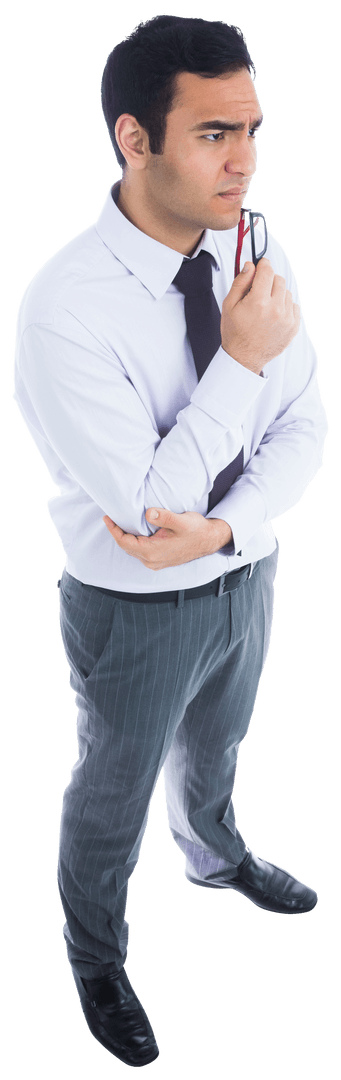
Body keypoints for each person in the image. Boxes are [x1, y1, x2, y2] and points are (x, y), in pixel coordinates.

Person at [12, 14, 328, 1069]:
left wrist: (235, 526)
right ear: (133, 140)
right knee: (112, 787)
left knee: (219, 749)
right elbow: (146, 515)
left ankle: (213, 853)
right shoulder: (65, 307)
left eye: (251, 129)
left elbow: (306, 426)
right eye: (210, 133)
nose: (242, 158)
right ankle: (96, 957)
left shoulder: (254, 244)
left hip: (249, 572)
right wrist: (239, 361)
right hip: (134, 606)